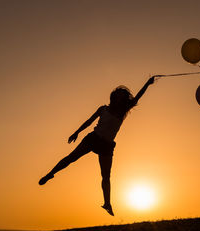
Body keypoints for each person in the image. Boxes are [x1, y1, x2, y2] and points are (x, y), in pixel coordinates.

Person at [39, 76, 157, 216]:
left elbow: (138, 97)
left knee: (106, 176)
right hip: (93, 139)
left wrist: (148, 83)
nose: (120, 97)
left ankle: (107, 203)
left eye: (122, 96)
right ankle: (50, 174)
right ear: (113, 97)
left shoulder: (123, 111)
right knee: (71, 158)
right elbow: (89, 121)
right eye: (118, 95)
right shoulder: (103, 109)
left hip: (107, 145)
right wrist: (76, 132)